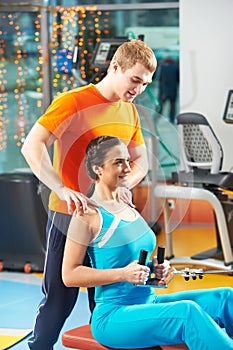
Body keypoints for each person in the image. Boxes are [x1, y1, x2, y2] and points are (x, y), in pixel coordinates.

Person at [21, 39, 157, 350]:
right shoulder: (73, 102)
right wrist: (61, 188)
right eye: (135, 79)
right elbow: (32, 146)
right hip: (69, 215)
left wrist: (126, 184)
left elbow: (142, 161)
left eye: (145, 83)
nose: (139, 89)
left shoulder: (130, 112)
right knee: (59, 297)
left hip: (108, 220)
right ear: (115, 67)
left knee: (109, 292)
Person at [62, 135, 233, 350]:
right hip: (114, 316)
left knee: (226, 297)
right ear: (98, 168)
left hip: (148, 302)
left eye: (127, 160)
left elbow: (133, 260)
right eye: (118, 162)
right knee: (187, 313)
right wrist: (122, 274)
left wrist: (157, 269)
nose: (127, 168)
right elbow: (69, 275)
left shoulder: (126, 202)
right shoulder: (87, 215)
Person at [157, 56, 179, 124]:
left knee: (161, 105)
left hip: (163, 90)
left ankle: (157, 118)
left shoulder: (162, 67)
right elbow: (178, 79)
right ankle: (172, 119)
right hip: (173, 90)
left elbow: (158, 78)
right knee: (173, 106)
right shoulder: (176, 67)